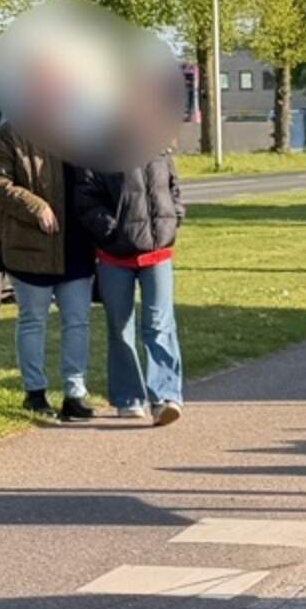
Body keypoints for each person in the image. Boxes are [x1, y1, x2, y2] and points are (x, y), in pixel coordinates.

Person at [0, 112, 95, 421]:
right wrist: (36, 206)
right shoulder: (12, 133)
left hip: (76, 244)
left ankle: (75, 393)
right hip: (31, 247)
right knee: (33, 320)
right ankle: (34, 393)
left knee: (77, 321)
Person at [78, 141, 186, 426]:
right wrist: (112, 231)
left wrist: (174, 217)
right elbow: (86, 199)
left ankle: (165, 397)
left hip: (158, 252)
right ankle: (129, 398)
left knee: (159, 323)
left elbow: (172, 187)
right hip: (115, 256)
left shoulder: (159, 147)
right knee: (120, 328)